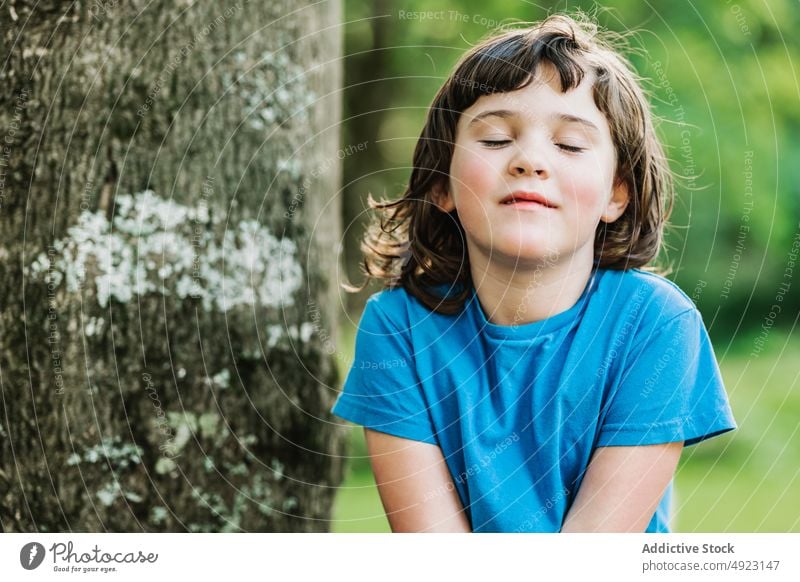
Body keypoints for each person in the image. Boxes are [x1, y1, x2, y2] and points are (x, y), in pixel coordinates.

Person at [332, 13, 736, 533]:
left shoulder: (655, 325)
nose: (530, 160)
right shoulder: (397, 329)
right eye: (497, 139)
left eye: (569, 145)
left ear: (618, 193)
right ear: (442, 186)